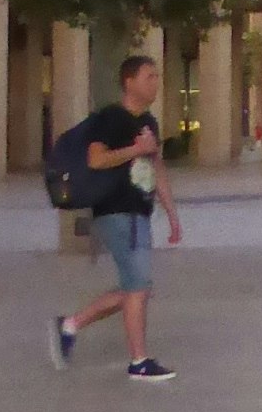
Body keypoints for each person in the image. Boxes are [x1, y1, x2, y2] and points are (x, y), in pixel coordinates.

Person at [50, 55, 182, 382]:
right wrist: (135, 150)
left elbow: (157, 169)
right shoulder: (111, 118)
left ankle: (70, 325)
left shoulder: (149, 122)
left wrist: (171, 213)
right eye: (149, 76)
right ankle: (138, 361)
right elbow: (96, 160)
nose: (155, 82)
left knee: (134, 287)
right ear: (130, 81)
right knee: (138, 286)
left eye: (156, 76)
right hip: (115, 211)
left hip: (140, 211)